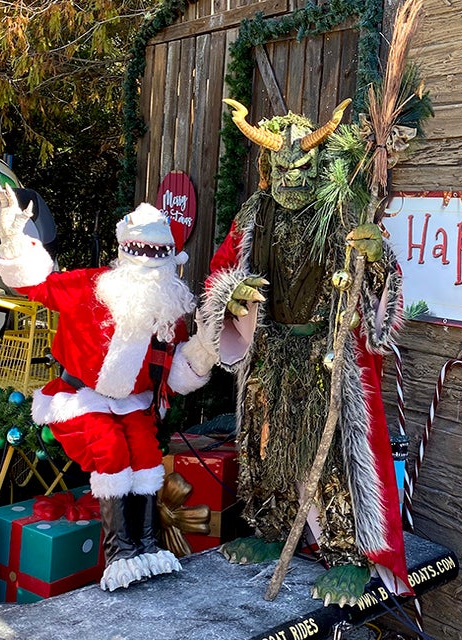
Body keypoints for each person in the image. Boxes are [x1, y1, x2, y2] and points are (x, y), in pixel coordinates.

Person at [194, 99, 412, 605]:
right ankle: (270, 527)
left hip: (324, 349)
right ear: (268, 170)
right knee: (266, 444)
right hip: (270, 349)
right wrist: (234, 294)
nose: (291, 178)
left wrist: (377, 259)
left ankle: (345, 552)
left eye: (302, 166)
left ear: (319, 166)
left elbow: (378, 284)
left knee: (330, 448)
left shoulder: (342, 210)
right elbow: (219, 275)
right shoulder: (253, 215)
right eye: (281, 168)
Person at [0, 185, 218, 591]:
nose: (148, 265)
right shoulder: (89, 287)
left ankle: (145, 545)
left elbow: (174, 378)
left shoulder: (169, 310)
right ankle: (120, 553)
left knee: (145, 456)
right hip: (82, 398)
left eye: (156, 256)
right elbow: (38, 286)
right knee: (110, 451)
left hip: (134, 404)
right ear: (125, 252)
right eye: (141, 253)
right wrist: (15, 241)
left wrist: (205, 349)